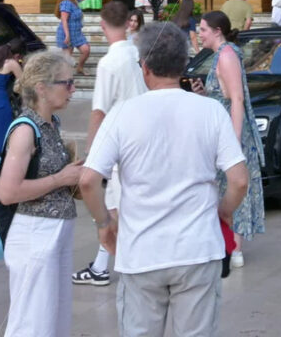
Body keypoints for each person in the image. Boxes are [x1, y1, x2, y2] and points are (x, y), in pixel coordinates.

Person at [79, 22, 248, 337]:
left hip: (141, 252)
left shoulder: (122, 113)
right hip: (197, 249)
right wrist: (224, 210)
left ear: (144, 67)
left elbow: (88, 180)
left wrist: (104, 224)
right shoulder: (211, 111)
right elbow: (239, 180)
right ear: (183, 64)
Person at [0, 51, 83, 337]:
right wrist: (61, 178)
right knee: (32, 323)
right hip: (34, 233)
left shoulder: (52, 125)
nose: (73, 89)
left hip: (53, 232)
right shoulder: (25, 129)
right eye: (67, 83)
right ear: (42, 88)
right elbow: (8, 191)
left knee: (53, 321)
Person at [72, 0, 146, 287]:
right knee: (119, 207)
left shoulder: (109, 62)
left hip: (120, 140)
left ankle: (117, 265)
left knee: (111, 211)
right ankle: (103, 264)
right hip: (141, 135)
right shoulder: (137, 52)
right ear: (129, 22)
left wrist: (92, 154)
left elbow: (98, 111)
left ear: (102, 25)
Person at [195, 11, 264, 269]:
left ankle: (234, 249)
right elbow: (224, 94)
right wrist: (204, 93)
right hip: (221, 131)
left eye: (202, 29)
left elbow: (236, 98)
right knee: (223, 186)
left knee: (231, 186)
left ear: (217, 31)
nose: (199, 34)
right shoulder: (220, 55)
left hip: (230, 133)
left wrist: (233, 142)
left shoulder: (225, 55)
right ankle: (225, 244)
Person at [55, 0, 103, 75]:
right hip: (66, 32)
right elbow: (64, 20)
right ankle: (64, 75)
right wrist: (67, 35)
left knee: (86, 50)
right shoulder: (66, 3)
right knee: (67, 57)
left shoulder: (74, 0)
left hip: (77, 33)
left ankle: (79, 68)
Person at [0, 39, 24, 159]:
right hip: (1, 105)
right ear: (17, 55)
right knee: (0, 139)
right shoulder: (11, 63)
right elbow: (25, 83)